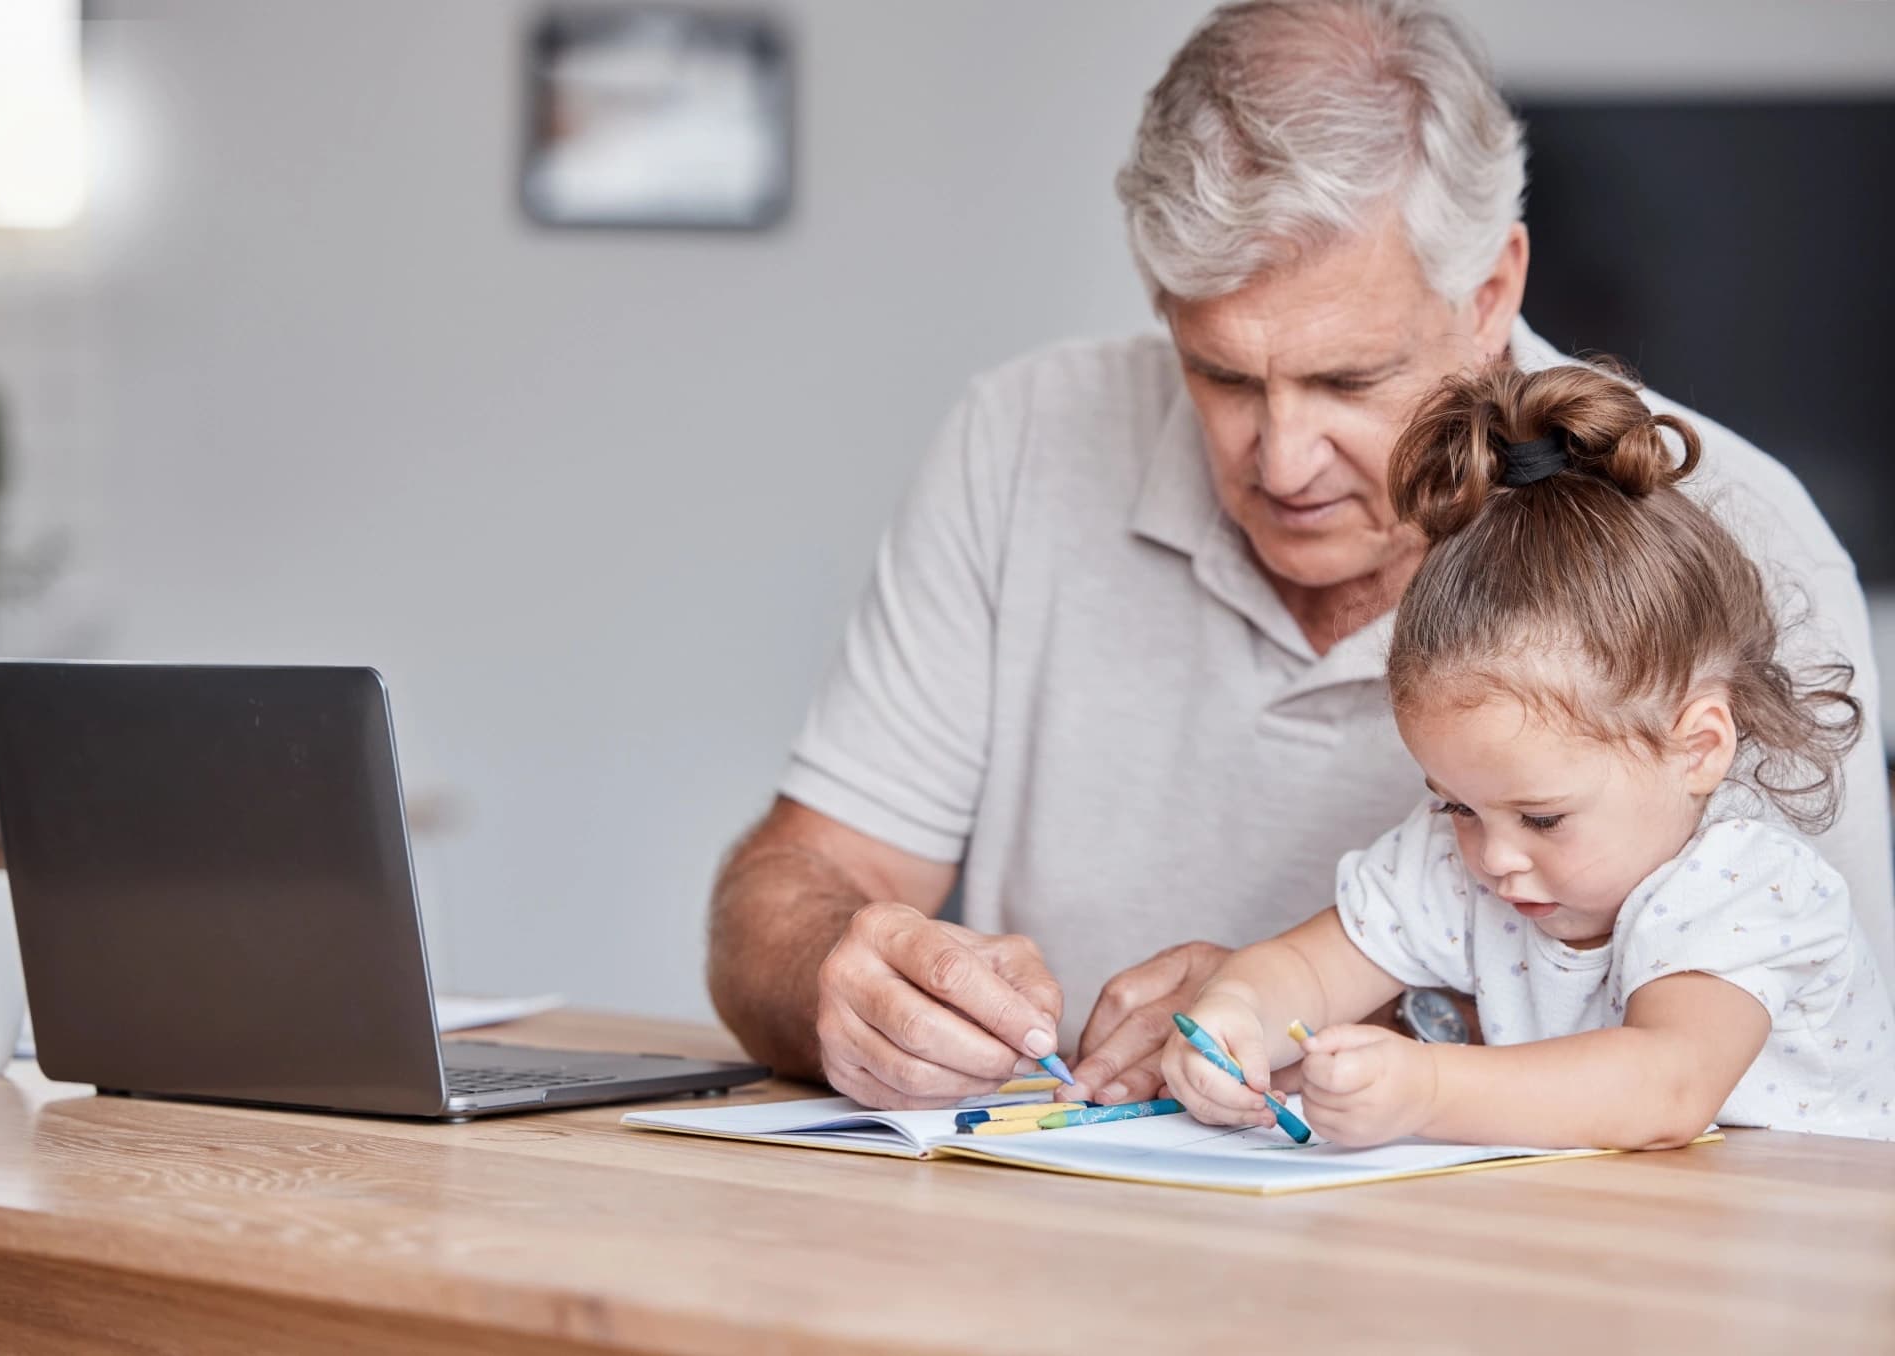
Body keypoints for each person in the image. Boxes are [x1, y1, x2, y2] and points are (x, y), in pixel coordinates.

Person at [706, 0, 1894, 1110]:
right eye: (1220, 374)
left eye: (1346, 379)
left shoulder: (1726, 537)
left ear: (1490, 292)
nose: (1278, 461)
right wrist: (840, 979)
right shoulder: (1020, 439)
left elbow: (1777, 1064)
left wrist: (1372, 1034)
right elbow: (800, 879)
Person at [1163, 360, 1895, 1147]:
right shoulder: (1459, 861)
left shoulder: (1749, 890)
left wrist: (1427, 1090)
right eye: (1455, 804)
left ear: (1698, 749)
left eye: (1543, 818)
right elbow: (1303, 973)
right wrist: (1234, 1018)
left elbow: (1665, 1087)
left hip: (1808, 1244)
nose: (1494, 856)